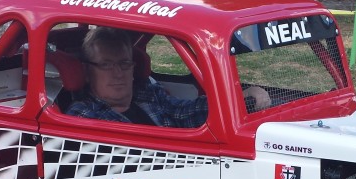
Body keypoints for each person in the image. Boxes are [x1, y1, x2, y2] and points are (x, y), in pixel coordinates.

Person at [64, 26, 271, 127]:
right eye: (106, 65)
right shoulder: (82, 115)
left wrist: (239, 99)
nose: (118, 73)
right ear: (88, 72)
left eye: (124, 63)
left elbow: (183, 111)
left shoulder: (147, 94)